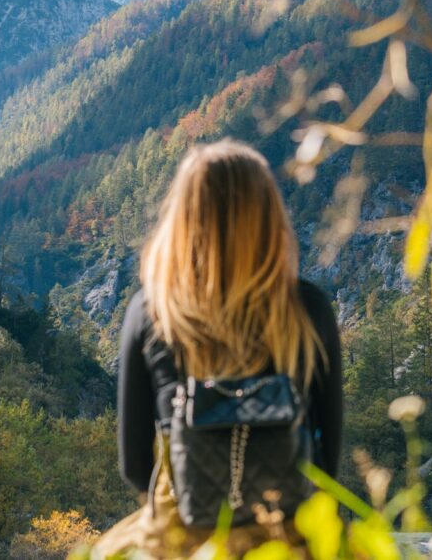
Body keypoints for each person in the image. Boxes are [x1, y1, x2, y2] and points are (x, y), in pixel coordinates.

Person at [92, 140, 343, 559]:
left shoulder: (152, 313)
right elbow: (326, 462)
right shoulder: (307, 309)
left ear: (184, 219)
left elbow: (135, 467)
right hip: (286, 538)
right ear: (268, 218)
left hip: (183, 536)